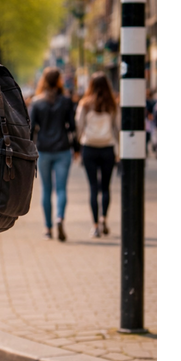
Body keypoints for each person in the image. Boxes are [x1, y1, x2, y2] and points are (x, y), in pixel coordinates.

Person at [29, 68, 76, 241]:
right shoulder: (66, 101)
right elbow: (72, 127)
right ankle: (60, 218)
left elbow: (31, 128)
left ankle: (48, 228)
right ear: (59, 81)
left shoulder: (37, 102)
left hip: (43, 150)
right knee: (61, 189)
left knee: (46, 190)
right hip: (63, 149)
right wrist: (77, 148)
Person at [75, 73, 120, 238]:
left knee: (93, 187)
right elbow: (117, 127)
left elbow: (79, 126)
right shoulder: (112, 104)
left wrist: (79, 142)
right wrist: (119, 150)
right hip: (108, 148)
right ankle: (104, 219)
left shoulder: (85, 104)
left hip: (90, 148)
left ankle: (95, 226)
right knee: (106, 187)